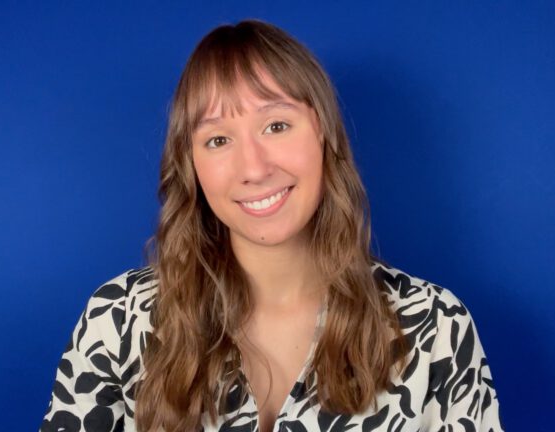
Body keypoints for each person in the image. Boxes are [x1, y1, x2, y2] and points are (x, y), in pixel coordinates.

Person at [40, 19, 503, 432]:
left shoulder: (434, 329)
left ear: (323, 133)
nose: (253, 168)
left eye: (276, 126)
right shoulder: (117, 321)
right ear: (191, 165)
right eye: (218, 139)